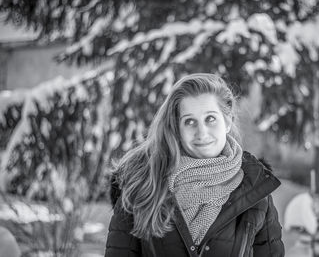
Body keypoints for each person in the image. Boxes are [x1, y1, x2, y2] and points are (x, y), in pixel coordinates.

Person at [105, 73, 284, 257]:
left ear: (228, 121)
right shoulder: (141, 184)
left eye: (211, 119)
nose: (202, 132)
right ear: (177, 128)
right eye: (190, 121)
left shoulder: (255, 191)